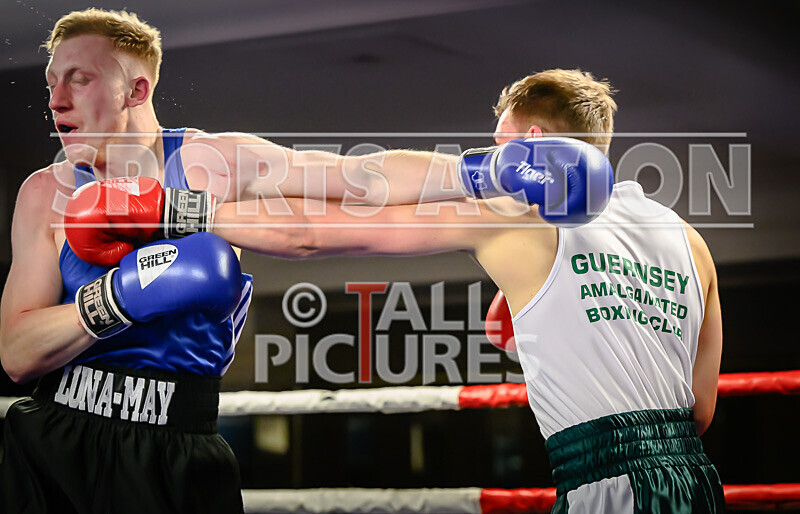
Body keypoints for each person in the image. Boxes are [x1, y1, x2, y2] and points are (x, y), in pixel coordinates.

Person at [206, 70, 723, 512]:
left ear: (531, 142)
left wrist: (184, 212)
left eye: (500, 143)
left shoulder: (511, 214)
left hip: (609, 484)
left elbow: (309, 234)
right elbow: (700, 410)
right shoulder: (687, 238)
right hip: (697, 481)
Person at [0, 7, 445, 513]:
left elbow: (360, 178)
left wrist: (483, 176)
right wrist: (117, 298)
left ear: (137, 91)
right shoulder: (46, 192)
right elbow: (16, 354)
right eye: (52, 83)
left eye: (79, 80)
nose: (57, 100)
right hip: (52, 445)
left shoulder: (210, 164)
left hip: (178, 446)